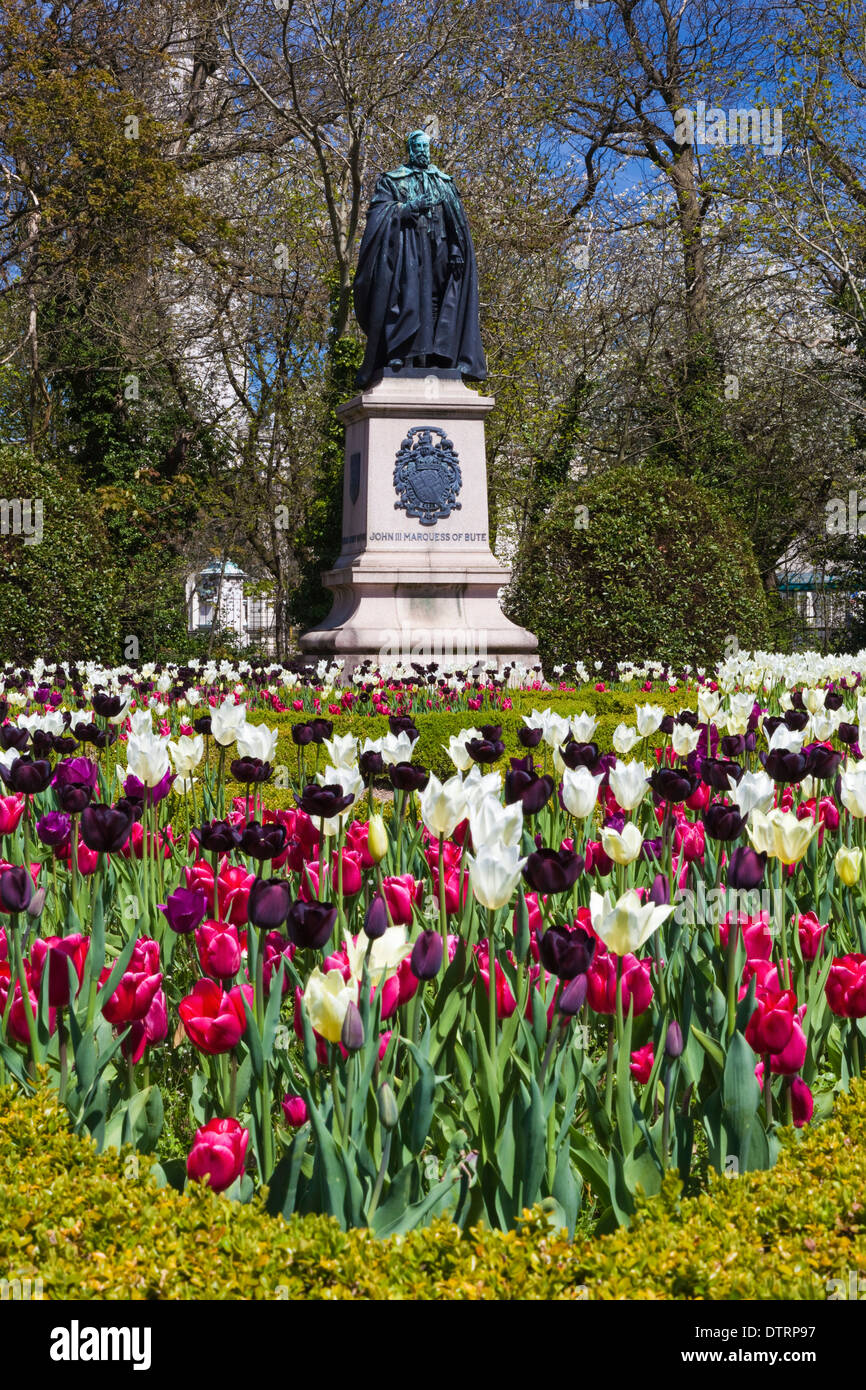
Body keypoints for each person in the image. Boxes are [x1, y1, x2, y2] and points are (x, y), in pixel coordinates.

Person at [353, 130, 487, 388]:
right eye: (418, 147)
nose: (423, 152)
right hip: (408, 250)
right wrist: (409, 207)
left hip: (442, 250)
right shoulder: (393, 180)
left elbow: (457, 223)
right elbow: (377, 216)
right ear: (410, 149)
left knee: (438, 301)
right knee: (407, 299)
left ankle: (435, 356)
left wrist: (457, 252)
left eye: (426, 147)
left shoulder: (444, 181)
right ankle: (403, 355)